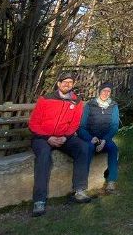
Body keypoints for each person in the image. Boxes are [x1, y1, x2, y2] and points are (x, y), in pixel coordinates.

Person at [28, 71, 92, 217]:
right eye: (64, 82)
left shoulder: (76, 102)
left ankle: (80, 190)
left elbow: (75, 123)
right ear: (58, 83)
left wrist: (66, 136)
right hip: (42, 138)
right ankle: (39, 201)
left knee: (83, 147)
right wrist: (48, 137)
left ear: (73, 85)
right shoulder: (45, 99)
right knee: (44, 156)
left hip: (64, 137)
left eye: (70, 82)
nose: (67, 84)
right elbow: (33, 123)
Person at [77, 82, 120, 194]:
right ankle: (81, 186)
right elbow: (81, 127)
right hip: (91, 138)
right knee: (88, 149)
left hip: (106, 138)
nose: (106, 93)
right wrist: (90, 138)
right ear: (99, 91)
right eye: (104, 90)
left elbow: (115, 126)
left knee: (113, 149)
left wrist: (105, 140)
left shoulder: (113, 106)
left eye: (108, 91)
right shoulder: (90, 105)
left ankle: (111, 181)